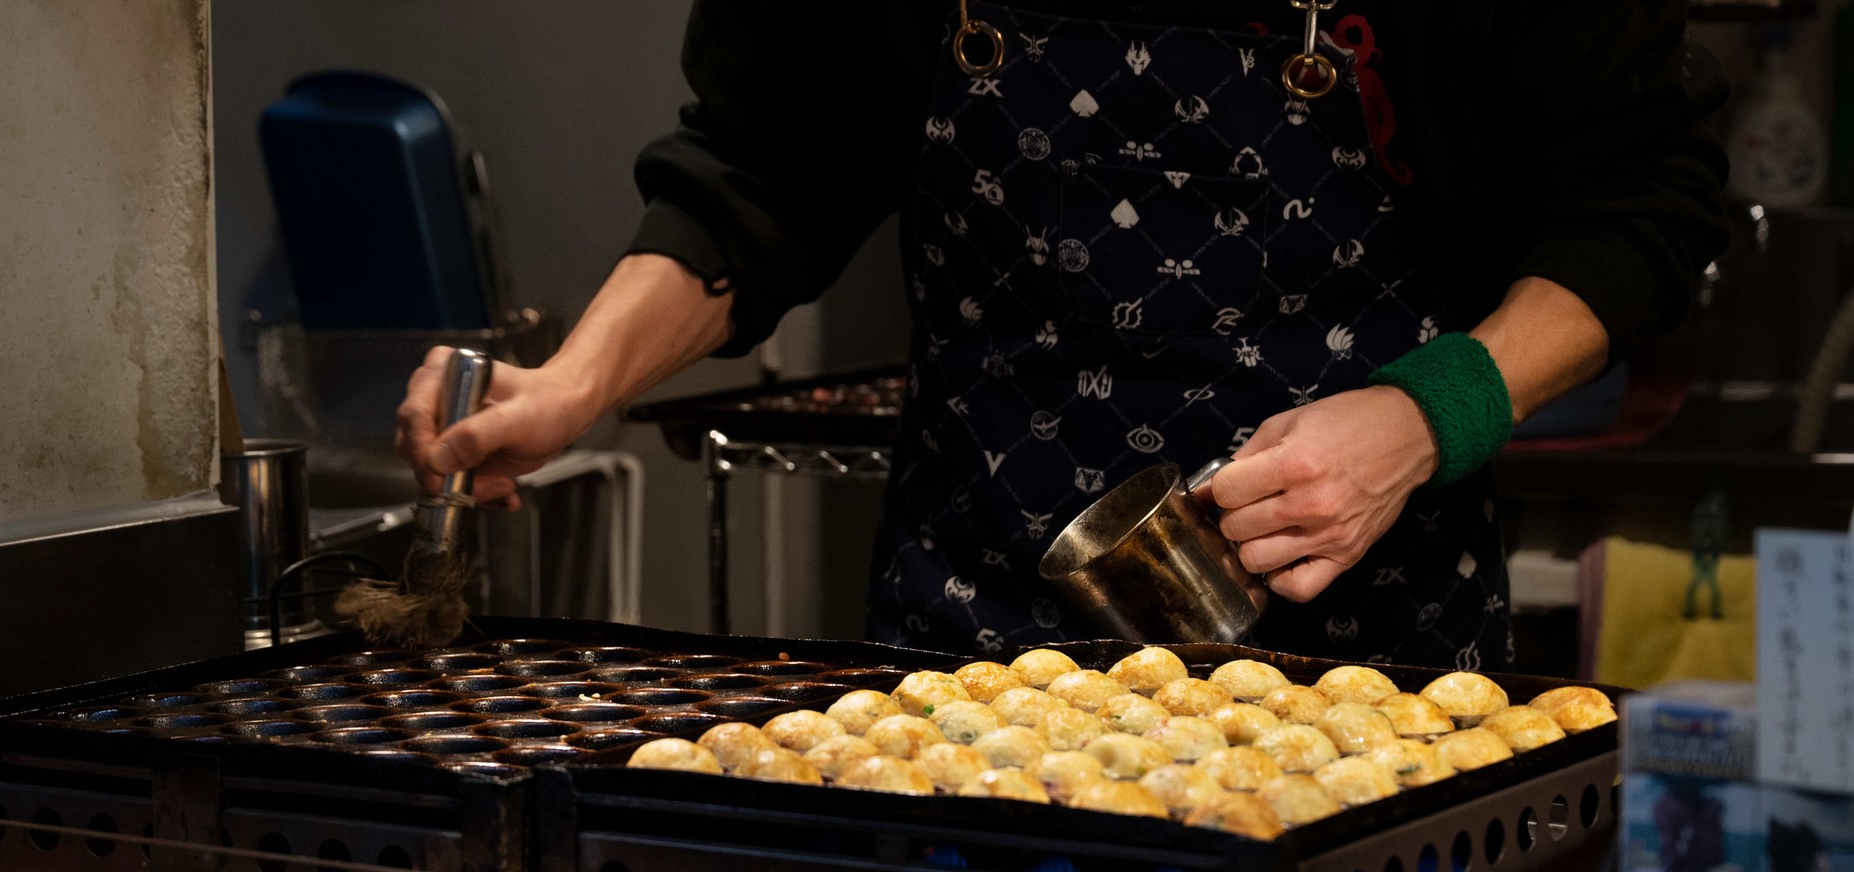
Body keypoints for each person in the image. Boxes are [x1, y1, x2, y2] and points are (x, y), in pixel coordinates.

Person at [395, 1, 1728, 666]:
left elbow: (1643, 205)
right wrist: (573, 383)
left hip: (1368, 666)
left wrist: (1434, 410)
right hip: (966, 655)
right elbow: (758, 173)